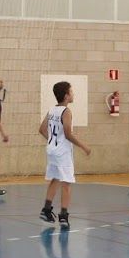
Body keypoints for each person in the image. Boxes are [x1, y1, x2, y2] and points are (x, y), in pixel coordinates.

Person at [38, 80, 91, 231]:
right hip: (62, 152)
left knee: (55, 179)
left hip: (52, 150)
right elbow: (68, 134)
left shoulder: (52, 110)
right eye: (72, 91)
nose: (73, 94)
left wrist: (53, 141)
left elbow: (41, 129)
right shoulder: (66, 111)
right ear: (66, 95)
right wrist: (83, 146)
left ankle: (46, 210)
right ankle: (63, 216)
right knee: (66, 183)